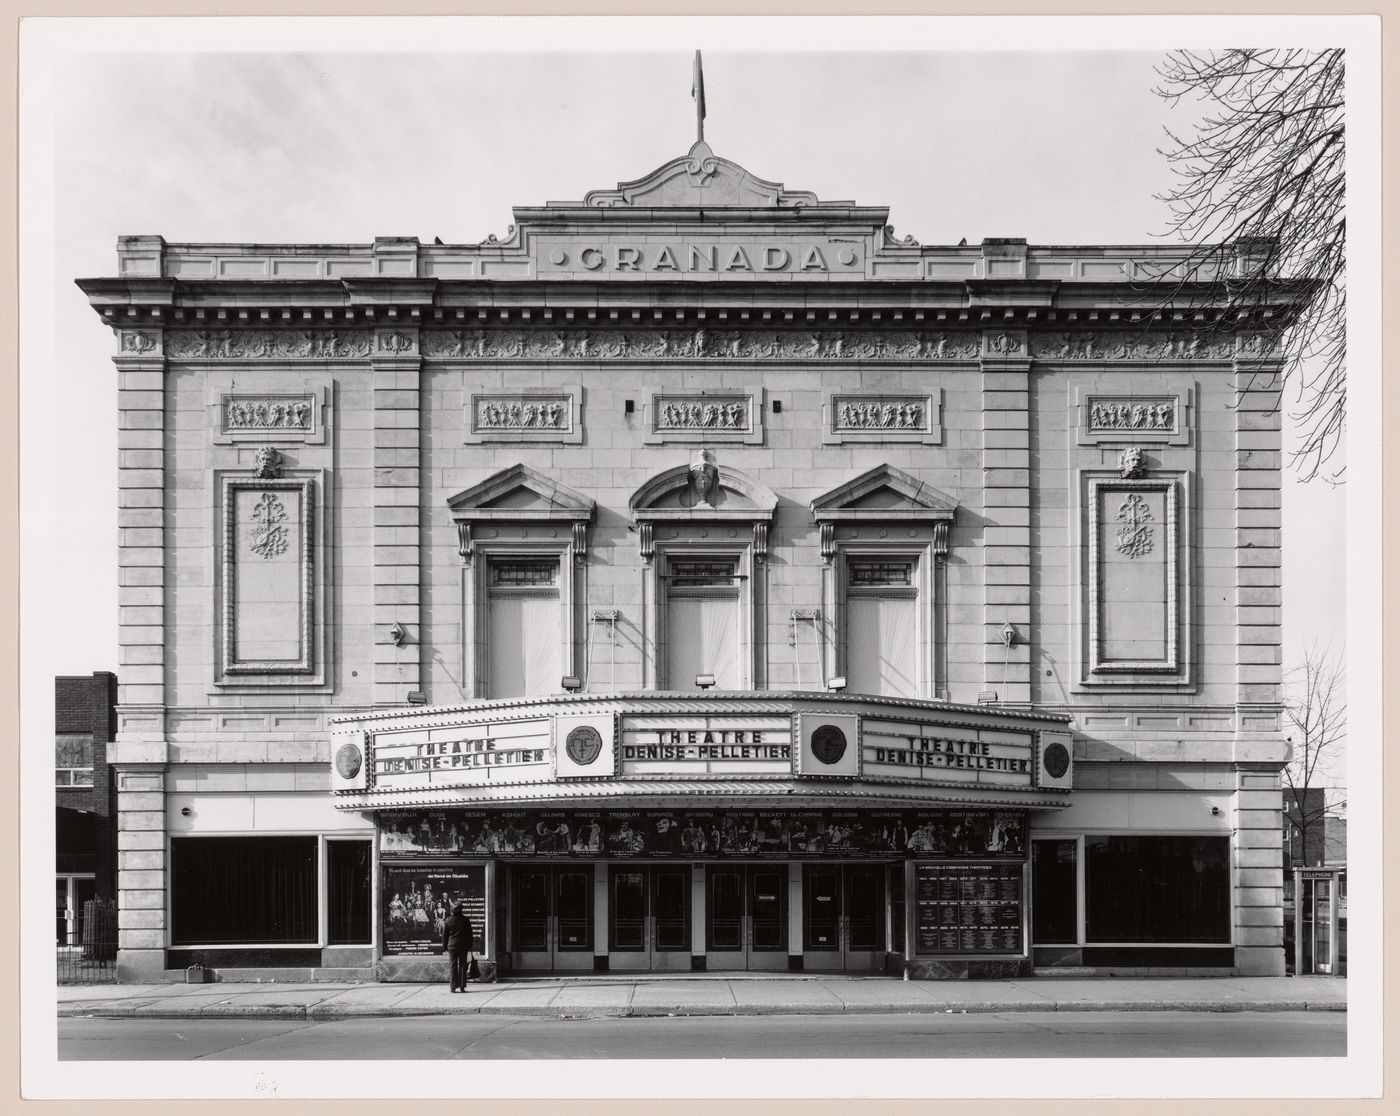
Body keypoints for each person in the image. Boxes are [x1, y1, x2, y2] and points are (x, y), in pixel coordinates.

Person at [442, 901, 476, 993]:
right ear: (461, 910)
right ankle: (462, 986)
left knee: (453, 965)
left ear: (452, 910)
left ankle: (453, 987)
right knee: (462, 965)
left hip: (452, 945)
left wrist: (444, 947)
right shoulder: (466, 920)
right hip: (463, 945)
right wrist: (470, 945)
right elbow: (470, 934)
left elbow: (445, 935)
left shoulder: (448, 920)